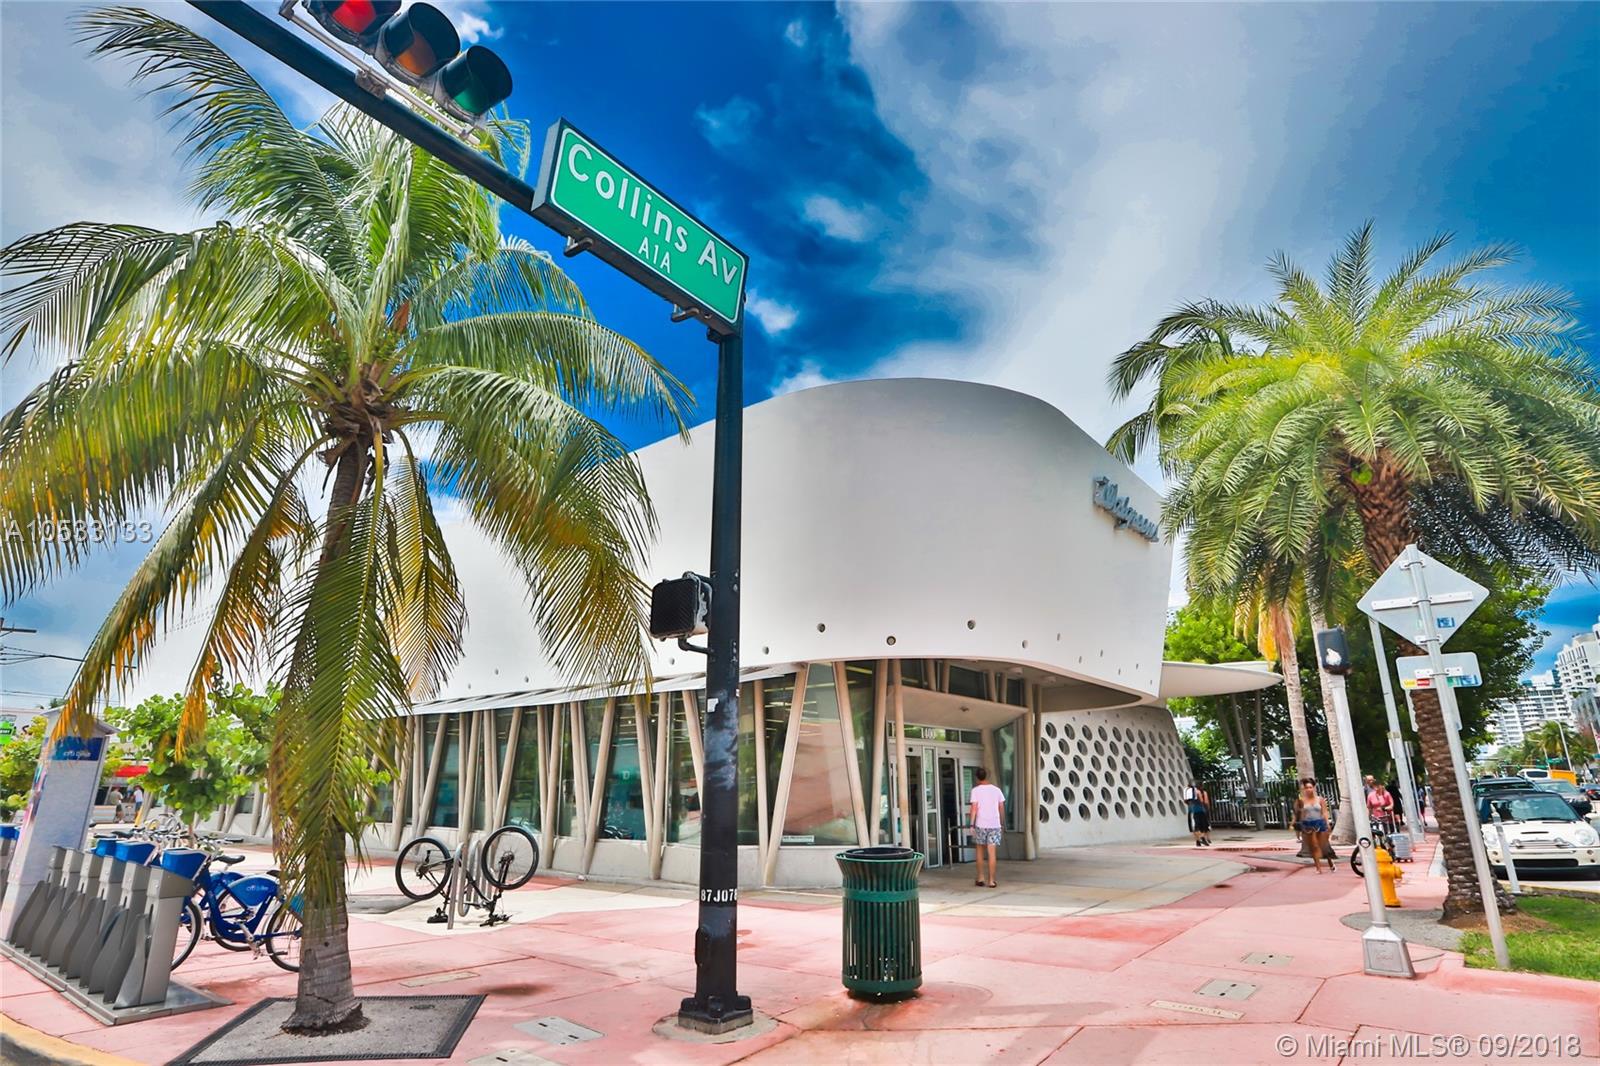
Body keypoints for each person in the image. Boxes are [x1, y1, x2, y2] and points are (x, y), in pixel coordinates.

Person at [968, 767, 1006, 888]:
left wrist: (971, 824)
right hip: (994, 825)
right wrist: (1001, 822)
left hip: (981, 824)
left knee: (979, 851)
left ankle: (980, 878)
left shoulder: (975, 791)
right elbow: (1001, 807)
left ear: (977, 778)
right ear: (987, 776)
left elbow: (974, 808)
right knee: (992, 853)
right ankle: (991, 880)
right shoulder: (997, 790)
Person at [1297, 778, 1335, 872]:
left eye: (1310, 787)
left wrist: (1327, 823)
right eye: (1306, 788)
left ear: (1314, 788)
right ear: (1304, 789)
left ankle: (1329, 861)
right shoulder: (1302, 801)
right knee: (1314, 846)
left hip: (1320, 823)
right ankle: (1318, 867)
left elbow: (1325, 812)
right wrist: (1300, 827)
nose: (1309, 789)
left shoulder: (1320, 799)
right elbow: (1301, 815)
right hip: (1308, 824)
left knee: (1323, 846)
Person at [1183, 782, 1211, 847]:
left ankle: (1197, 841)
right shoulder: (1198, 792)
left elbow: (1185, 801)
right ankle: (1202, 837)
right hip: (1200, 810)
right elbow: (1202, 801)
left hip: (1191, 810)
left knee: (1195, 826)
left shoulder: (1186, 791)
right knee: (1203, 825)